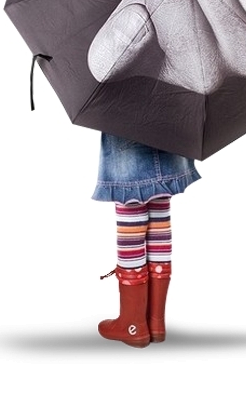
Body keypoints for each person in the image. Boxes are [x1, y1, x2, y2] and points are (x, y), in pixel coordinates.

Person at [92, 132, 201, 348]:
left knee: (130, 206)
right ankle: (155, 321)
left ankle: (133, 324)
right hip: (172, 132)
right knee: (159, 209)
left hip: (128, 136)